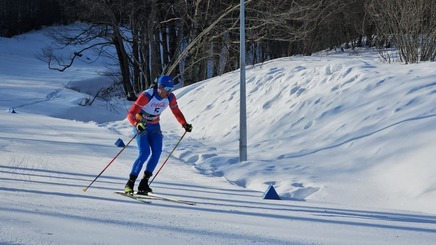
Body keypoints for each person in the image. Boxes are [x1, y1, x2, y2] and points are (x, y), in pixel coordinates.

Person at [124, 75, 192, 195]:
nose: (168, 91)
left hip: (155, 126)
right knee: (144, 153)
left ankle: (144, 183)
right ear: (159, 87)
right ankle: (130, 183)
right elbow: (131, 113)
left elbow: (176, 111)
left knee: (157, 152)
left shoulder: (170, 97)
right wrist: (136, 124)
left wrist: (184, 124)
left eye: (170, 88)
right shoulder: (147, 96)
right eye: (166, 88)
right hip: (142, 125)